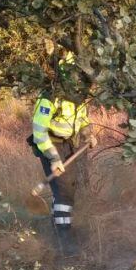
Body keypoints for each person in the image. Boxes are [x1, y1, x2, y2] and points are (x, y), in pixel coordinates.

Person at [30, 56, 95, 255]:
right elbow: (38, 132)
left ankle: (56, 226)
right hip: (50, 144)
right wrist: (54, 158)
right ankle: (65, 242)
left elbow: (82, 120)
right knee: (64, 192)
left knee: (67, 189)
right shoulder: (48, 98)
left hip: (69, 144)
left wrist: (88, 134)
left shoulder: (78, 97)